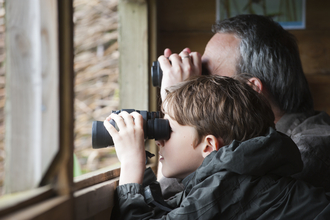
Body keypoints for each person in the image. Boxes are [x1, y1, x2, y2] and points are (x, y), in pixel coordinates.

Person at [106, 75, 330, 219]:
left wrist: (131, 165)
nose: (158, 140)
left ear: (209, 145)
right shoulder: (237, 176)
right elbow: (165, 211)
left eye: (168, 131)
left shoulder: (229, 185)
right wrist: (140, 169)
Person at [158, 14, 330, 195]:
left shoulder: (305, 152)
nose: (200, 85)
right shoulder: (249, 143)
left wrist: (179, 101)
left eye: (210, 76)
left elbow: (169, 203)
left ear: (252, 91)